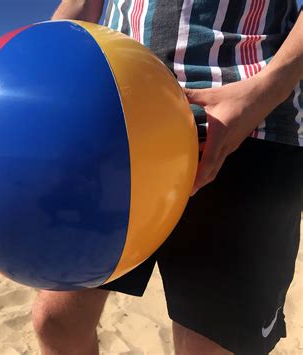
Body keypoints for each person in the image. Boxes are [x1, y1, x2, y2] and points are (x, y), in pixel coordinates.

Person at [31, 0, 303, 354]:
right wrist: (39, 76)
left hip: (248, 124)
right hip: (116, 122)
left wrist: (272, 85)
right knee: (56, 322)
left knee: (211, 345)